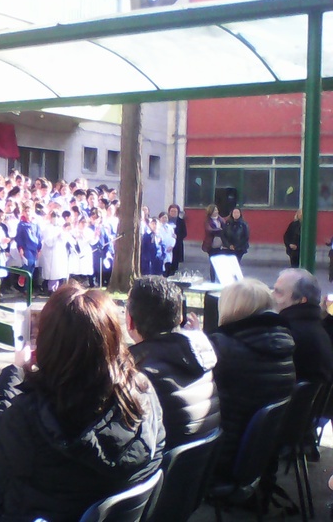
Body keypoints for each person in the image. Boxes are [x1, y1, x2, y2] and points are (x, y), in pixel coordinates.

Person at [0, 283, 165, 522]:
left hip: (39, 508)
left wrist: (15, 371)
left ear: (50, 344)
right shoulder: (141, 393)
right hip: (76, 499)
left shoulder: (41, 417)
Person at [208, 278, 295, 480]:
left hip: (221, 458)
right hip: (260, 457)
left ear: (230, 308)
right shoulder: (283, 343)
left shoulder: (223, 348)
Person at [126, 276, 220, 449]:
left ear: (130, 321)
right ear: (180, 317)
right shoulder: (202, 358)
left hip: (165, 462)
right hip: (204, 462)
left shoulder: (137, 376)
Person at [272, 268, 333, 384]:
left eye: (278, 292)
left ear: (301, 300)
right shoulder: (318, 328)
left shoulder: (288, 333)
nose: (272, 296)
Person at [201, 204, 225, 282]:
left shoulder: (221, 219)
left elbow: (225, 229)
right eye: (214, 210)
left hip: (221, 244)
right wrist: (219, 230)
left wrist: (220, 230)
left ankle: (220, 279)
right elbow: (209, 230)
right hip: (211, 244)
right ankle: (213, 280)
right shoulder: (207, 221)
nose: (216, 212)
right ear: (210, 212)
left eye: (216, 210)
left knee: (220, 263)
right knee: (213, 263)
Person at [164, 204, 187, 277]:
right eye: (172, 211)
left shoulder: (181, 221)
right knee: (166, 264)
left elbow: (184, 233)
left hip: (177, 246)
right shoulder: (165, 220)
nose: (173, 213)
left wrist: (177, 236)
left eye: (175, 211)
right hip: (166, 246)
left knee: (175, 264)